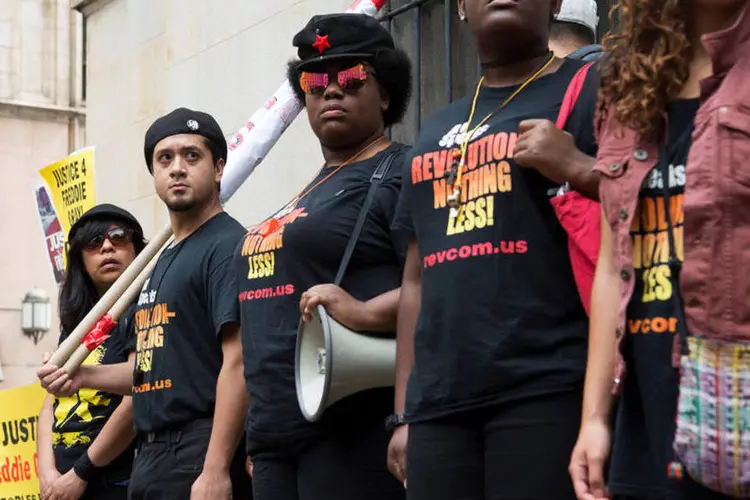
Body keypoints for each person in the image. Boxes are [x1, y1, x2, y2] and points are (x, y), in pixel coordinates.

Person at [387, 0, 600, 498]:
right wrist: (404, 410)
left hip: (548, 386)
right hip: (439, 405)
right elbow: (415, 279)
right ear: (461, 8)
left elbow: (645, 199)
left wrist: (573, 164)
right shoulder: (434, 129)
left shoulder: (588, 87)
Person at [569, 1, 750, 499]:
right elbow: (612, 265)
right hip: (645, 417)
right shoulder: (630, 85)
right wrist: (594, 421)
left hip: (736, 410)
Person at [236, 13, 412, 500]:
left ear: (386, 92)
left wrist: (364, 311)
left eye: (352, 77)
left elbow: (444, 281)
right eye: (315, 81)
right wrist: (259, 430)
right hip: (277, 440)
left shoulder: (402, 169)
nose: (331, 90)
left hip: (353, 429)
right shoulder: (310, 188)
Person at [38, 108, 252, 500]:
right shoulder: (158, 263)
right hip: (151, 456)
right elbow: (147, 369)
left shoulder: (226, 245)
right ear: (154, 174)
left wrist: (216, 467)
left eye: (192, 155)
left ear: (219, 167)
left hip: (197, 447)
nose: (177, 168)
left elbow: (238, 362)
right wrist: (82, 376)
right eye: (164, 158)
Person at [37, 204, 146, 500]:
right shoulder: (77, 321)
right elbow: (49, 407)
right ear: (80, 260)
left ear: (137, 247)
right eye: (94, 242)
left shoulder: (146, 307)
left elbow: (139, 393)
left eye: (119, 236)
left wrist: (80, 474)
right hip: (61, 483)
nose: (107, 246)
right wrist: (47, 475)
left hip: (113, 481)